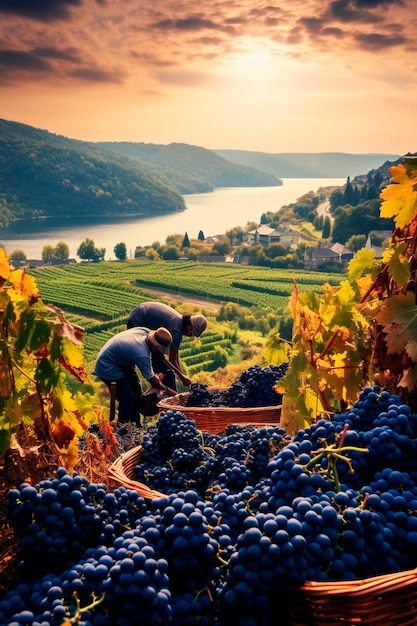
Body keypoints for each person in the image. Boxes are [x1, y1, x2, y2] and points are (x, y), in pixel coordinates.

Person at [94, 326, 176, 424]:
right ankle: (123, 428)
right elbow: (153, 381)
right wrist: (170, 392)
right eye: (160, 349)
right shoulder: (141, 353)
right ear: (154, 345)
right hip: (107, 366)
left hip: (121, 361)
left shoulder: (146, 332)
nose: (160, 352)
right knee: (128, 398)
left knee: (137, 392)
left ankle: (135, 424)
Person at [127, 301, 207, 390]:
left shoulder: (179, 322)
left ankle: (160, 385)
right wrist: (182, 377)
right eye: (192, 332)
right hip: (137, 321)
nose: (190, 335)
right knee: (154, 357)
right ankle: (155, 387)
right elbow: (172, 360)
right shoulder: (176, 331)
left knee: (159, 358)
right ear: (189, 326)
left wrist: (182, 375)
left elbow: (175, 357)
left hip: (142, 313)